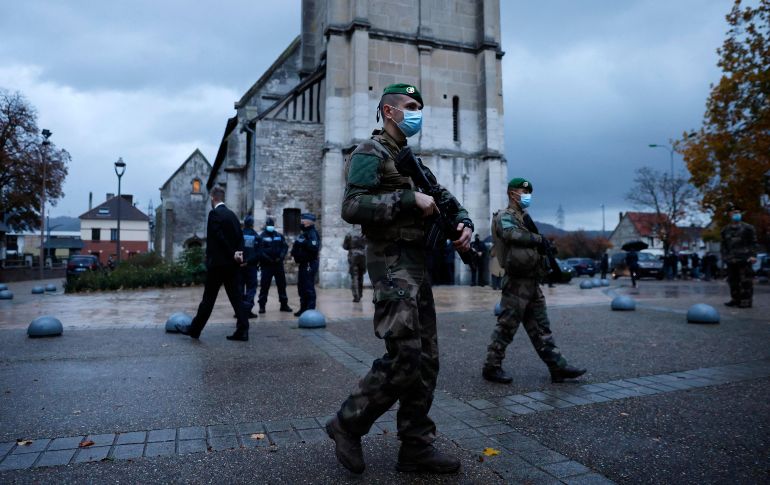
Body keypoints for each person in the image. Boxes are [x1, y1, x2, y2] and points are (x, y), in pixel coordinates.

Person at [325, 83, 473, 475]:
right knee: (405, 356)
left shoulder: (412, 161)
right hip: (391, 262)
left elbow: (444, 199)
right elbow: (352, 206)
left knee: (427, 360)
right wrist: (408, 200)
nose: (417, 111)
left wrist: (463, 223)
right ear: (388, 112)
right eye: (410, 106)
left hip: (417, 264)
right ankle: (347, 423)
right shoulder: (368, 153)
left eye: (420, 106)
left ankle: (416, 447)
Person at [482, 177, 586, 386]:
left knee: (541, 327)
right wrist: (539, 240)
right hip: (516, 283)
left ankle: (557, 366)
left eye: (529, 193)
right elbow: (510, 235)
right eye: (524, 192)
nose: (527, 196)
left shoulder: (524, 218)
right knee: (506, 326)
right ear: (513, 194)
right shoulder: (505, 217)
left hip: (531, 281)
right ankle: (491, 367)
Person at [176, 186, 251, 341]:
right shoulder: (232, 216)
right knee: (236, 299)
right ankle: (243, 330)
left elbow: (217, 238)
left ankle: (194, 330)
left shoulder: (214, 214)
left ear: (212, 198)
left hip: (218, 265)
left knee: (208, 300)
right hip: (232, 265)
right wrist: (238, 256)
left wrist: (225, 255)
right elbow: (240, 239)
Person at [721, 206, 758, 308]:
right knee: (733, 281)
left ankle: (746, 301)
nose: (736, 214)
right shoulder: (725, 230)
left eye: (738, 212)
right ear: (729, 214)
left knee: (745, 281)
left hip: (744, 258)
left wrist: (753, 255)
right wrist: (724, 257)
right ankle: (735, 299)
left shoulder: (748, 228)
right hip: (731, 259)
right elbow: (724, 245)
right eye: (733, 212)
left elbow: (753, 243)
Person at [256, 217, 293, 314]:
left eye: (272, 225)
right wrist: (268, 259)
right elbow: (259, 251)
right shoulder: (261, 237)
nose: (271, 227)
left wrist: (280, 257)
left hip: (278, 265)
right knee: (264, 286)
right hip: (266, 265)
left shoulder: (279, 236)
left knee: (282, 285)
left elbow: (284, 247)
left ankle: (284, 305)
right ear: (266, 225)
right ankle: (262, 306)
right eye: (269, 225)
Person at [291, 213, 320, 316]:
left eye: (303, 220)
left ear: (309, 222)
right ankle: (303, 308)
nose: (301, 221)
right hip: (303, 264)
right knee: (301, 287)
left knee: (308, 287)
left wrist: (303, 243)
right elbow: (296, 246)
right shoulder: (304, 233)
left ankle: (310, 310)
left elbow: (314, 247)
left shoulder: (312, 233)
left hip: (309, 264)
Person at [236, 215, 261, 318]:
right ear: (252, 224)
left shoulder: (238, 235)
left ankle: (239, 311)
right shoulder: (256, 236)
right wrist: (249, 262)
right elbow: (259, 253)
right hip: (251, 267)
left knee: (239, 288)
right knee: (251, 288)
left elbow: (234, 250)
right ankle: (247, 310)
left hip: (239, 266)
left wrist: (241, 262)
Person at [343, 227, 367, 302]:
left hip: (353, 256)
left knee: (355, 276)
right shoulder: (365, 233)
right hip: (363, 255)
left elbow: (345, 246)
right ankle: (360, 294)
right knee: (360, 275)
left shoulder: (349, 234)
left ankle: (356, 296)